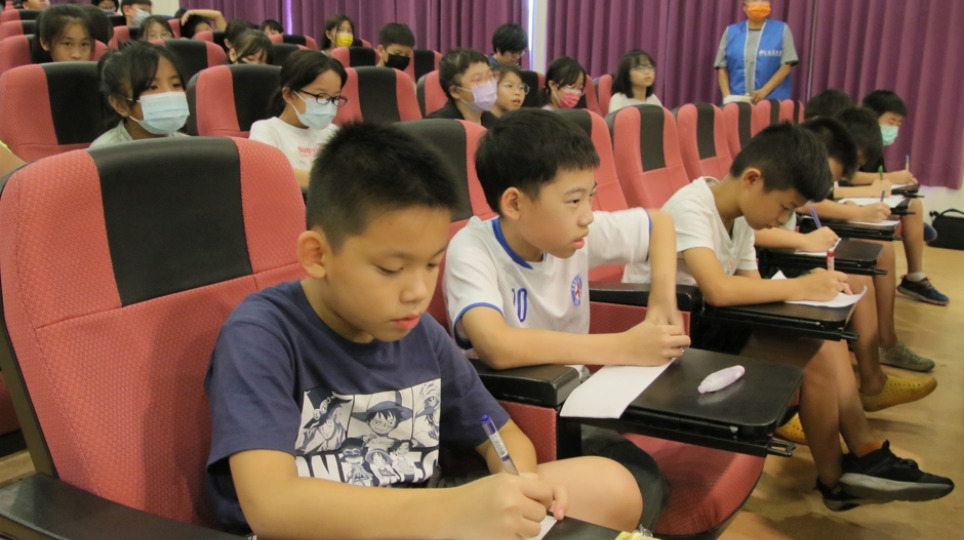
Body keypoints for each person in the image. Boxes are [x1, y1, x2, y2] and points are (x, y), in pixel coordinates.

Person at [204, 121, 643, 538]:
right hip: (326, 529)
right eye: (391, 269)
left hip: (427, 512)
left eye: (432, 264)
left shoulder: (418, 333)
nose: (417, 292)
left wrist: (519, 490)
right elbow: (272, 505)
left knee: (611, 486)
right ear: (318, 255)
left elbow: (502, 434)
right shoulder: (262, 334)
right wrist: (458, 509)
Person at [622, 123, 954, 510]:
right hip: (671, 332)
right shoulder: (691, 206)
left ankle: (863, 455)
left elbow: (750, 285)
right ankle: (837, 478)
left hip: (708, 322)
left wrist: (812, 301)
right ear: (752, 179)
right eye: (784, 207)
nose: (783, 219)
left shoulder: (740, 217)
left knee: (823, 340)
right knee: (813, 354)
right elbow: (719, 289)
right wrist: (803, 288)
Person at [748, 117, 936, 418]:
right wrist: (809, 240)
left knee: (860, 274)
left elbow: (807, 205)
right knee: (854, 283)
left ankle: (873, 379)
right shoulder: (764, 181)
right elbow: (759, 230)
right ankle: (863, 387)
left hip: (783, 254)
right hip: (778, 262)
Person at [852, 90, 946, 306]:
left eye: (898, 123)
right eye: (891, 121)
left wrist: (899, 183)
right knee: (911, 212)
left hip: (871, 197)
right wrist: (889, 177)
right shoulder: (854, 140)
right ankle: (914, 228)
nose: (894, 128)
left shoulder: (875, 145)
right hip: (855, 200)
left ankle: (915, 277)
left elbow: (877, 178)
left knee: (914, 203)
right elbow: (848, 177)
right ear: (871, 117)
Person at [249, 50, 346, 188]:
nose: (329, 105)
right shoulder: (266, 130)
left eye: (335, 98)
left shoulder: (333, 132)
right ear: (289, 95)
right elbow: (271, 174)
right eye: (320, 96)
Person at [90, 41, 190, 147]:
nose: (169, 93)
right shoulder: (104, 152)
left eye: (175, 84)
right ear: (120, 105)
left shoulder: (190, 147)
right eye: (152, 87)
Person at [715, 0, 798, 104]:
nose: (759, 4)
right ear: (744, 6)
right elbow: (722, 67)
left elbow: (786, 65)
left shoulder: (782, 30)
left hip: (773, 101)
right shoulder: (731, 32)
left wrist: (764, 91)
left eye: (763, 1)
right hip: (737, 101)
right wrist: (727, 97)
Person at [426, 48, 497, 127]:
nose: (488, 84)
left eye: (490, 76)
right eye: (478, 79)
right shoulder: (437, 126)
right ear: (455, 91)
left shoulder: (494, 123)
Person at [30, 4, 95, 64]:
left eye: (84, 44)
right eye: (67, 44)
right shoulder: (34, 73)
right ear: (45, 43)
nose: (77, 55)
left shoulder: (96, 71)